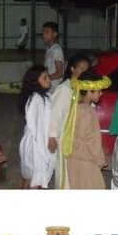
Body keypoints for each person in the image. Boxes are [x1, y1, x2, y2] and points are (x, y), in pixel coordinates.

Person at [60, 70, 112, 189]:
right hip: (85, 161)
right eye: (99, 91)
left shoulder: (79, 107)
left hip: (79, 159)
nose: (101, 93)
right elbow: (86, 141)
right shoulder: (86, 112)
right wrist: (99, 158)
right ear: (89, 91)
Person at [48, 53, 91, 189]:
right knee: (64, 174)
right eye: (81, 69)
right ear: (72, 69)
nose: (84, 72)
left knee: (75, 173)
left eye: (86, 70)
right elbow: (55, 114)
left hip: (77, 137)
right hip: (65, 136)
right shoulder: (64, 89)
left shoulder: (81, 88)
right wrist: (52, 137)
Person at [18, 65, 54, 189]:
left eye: (48, 76)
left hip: (38, 143)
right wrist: (43, 150)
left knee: (29, 178)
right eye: (44, 78)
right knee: (35, 180)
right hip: (35, 145)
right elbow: (36, 128)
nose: (49, 79)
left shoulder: (45, 96)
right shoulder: (36, 99)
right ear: (35, 81)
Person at [43, 22, 65, 93]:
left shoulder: (56, 50)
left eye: (47, 32)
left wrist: (45, 79)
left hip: (54, 88)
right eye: (43, 32)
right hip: (48, 86)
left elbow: (59, 73)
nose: (44, 35)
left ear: (55, 34)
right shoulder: (49, 49)